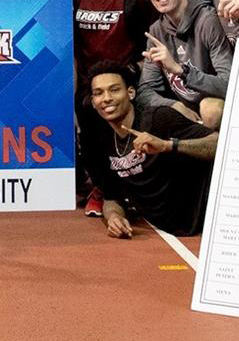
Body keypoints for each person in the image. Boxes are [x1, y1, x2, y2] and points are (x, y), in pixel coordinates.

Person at [82, 60, 217, 239]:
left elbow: (220, 143)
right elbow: (111, 197)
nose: (106, 98)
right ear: (93, 102)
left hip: (208, 216)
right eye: (99, 93)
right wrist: (114, 217)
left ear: (130, 93)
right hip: (167, 228)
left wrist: (167, 145)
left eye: (114, 90)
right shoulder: (102, 140)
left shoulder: (159, 118)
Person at [135, 0, 231, 129]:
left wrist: (181, 71)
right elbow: (144, 92)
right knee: (157, 112)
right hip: (186, 111)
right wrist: (175, 105)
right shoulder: (156, 30)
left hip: (219, 106)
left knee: (210, 109)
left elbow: (229, 85)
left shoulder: (208, 20)